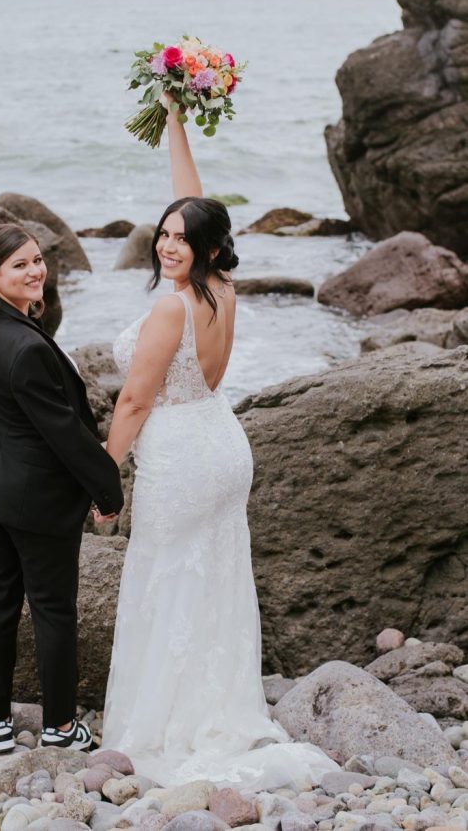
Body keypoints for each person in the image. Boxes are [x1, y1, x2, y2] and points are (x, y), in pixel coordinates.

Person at [98, 99, 337, 789]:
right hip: (221, 440)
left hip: (179, 452)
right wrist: (175, 120)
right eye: (163, 233)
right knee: (215, 581)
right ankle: (218, 704)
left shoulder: (173, 305)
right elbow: (196, 198)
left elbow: (136, 400)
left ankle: (164, 726)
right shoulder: (222, 284)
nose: (167, 244)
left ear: (203, 247)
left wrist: (102, 479)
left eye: (179, 237)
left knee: (168, 581)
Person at [0, 127, 123, 753]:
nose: (36, 271)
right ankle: (63, 727)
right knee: (54, 609)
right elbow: (64, 433)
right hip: (34, 499)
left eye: (38, 259)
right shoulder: (25, 349)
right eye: (22, 265)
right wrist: (107, 488)